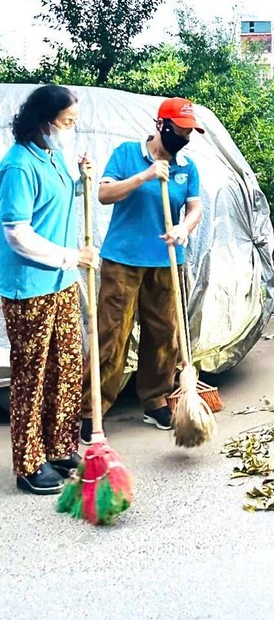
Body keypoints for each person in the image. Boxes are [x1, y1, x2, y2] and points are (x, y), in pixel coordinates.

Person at [80, 97, 203, 442]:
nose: (186, 135)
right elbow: (104, 194)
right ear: (161, 125)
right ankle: (94, 409)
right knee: (111, 334)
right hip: (123, 261)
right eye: (180, 129)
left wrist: (184, 229)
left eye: (190, 130)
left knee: (165, 334)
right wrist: (146, 175)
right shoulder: (126, 154)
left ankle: (154, 399)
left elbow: (196, 210)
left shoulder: (187, 167)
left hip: (167, 261)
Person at [0, 84, 99, 494]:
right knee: (33, 376)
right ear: (44, 123)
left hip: (60, 284)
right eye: (67, 123)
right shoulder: (19, 166)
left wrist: (82, 181)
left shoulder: (53, 157)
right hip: (30, 289)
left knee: (67, 369)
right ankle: (28, 464)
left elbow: (55, 203)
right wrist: (71, 256)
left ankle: (60, 448)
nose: (71, 130)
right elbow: (17, 233)